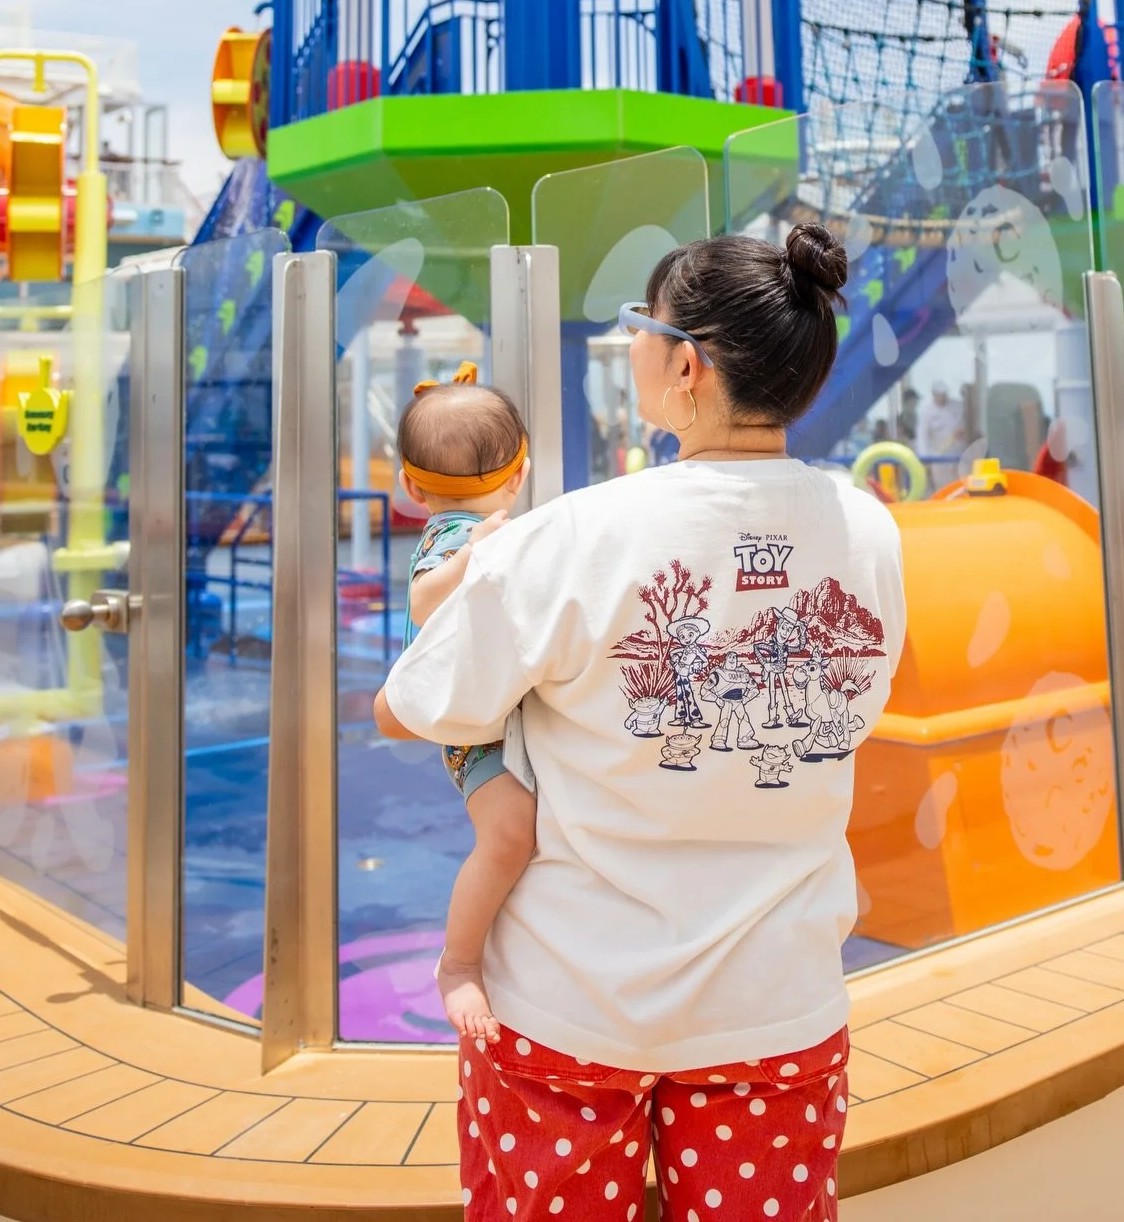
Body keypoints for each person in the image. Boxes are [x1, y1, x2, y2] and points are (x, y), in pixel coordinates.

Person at [376, 226, 906, 1220]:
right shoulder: (868, 528)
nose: (630, 350)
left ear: (689, 365)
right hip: (778, 1001)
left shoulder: (579, 532)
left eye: (638, 328)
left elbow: (411, 708)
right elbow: (851, 712)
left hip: (572, 1005)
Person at [390, 363, 534, 1042]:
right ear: (519, 473)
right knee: (510, 834)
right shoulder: (452, 537)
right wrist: (472, 554)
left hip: (504, 715)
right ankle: (459, 961)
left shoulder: (507, 532)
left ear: (410, 485)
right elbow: (423, 599)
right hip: (472, 729)